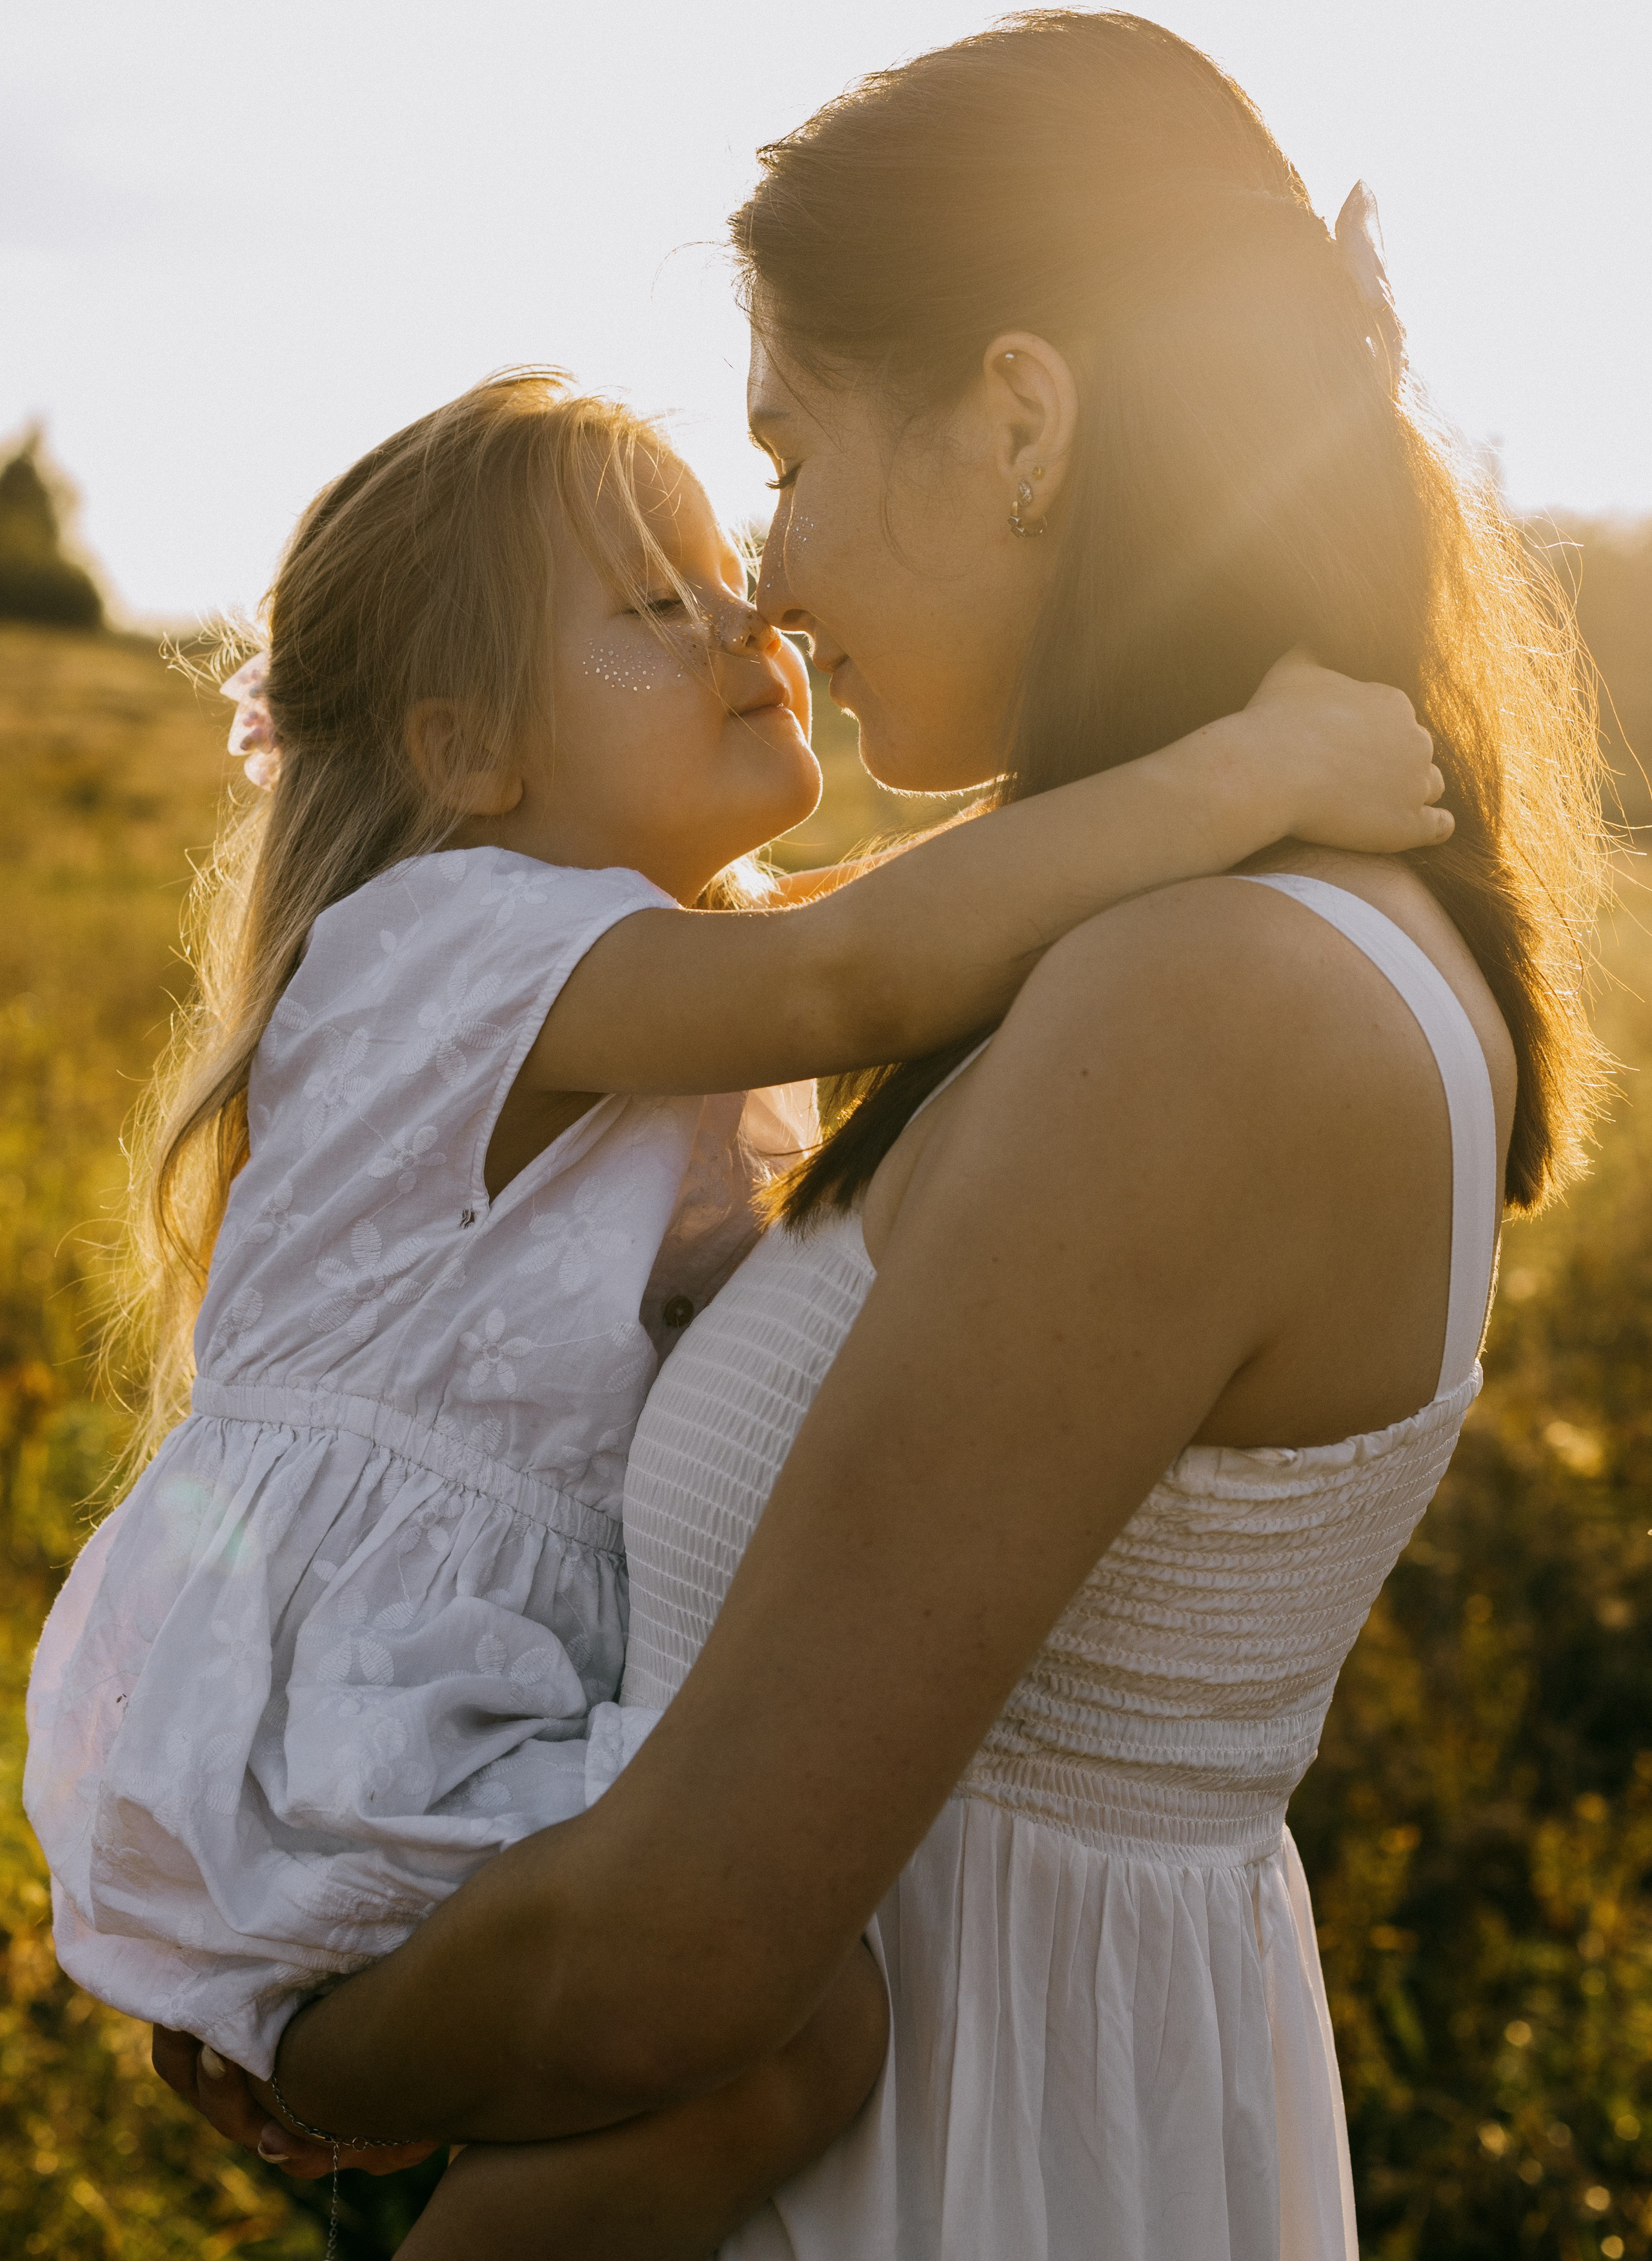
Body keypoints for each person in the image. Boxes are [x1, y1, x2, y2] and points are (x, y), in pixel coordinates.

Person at [151, 14, 1605, 2260]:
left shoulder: (1205, 999)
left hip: (973, 2171)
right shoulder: (1171, 948)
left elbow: (689, 1948)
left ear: (1022, 421)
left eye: (788, 460)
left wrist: (306, 2044)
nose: (777, 583)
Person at [25, 363, 1445, 2252]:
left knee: (767, 2046)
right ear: (464, 755)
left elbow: (912, 914)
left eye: (725, 571)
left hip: (479, 1681)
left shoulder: (647, 958)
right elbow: (862, 966)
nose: (752, 622)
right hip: (365, 1696)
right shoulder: (444, 941)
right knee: (782, 2025)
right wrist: (1237, 773)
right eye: (656, 606)